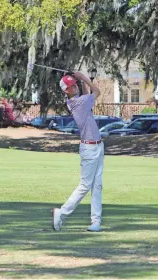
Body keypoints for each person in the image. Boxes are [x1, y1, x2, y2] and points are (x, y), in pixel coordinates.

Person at [52, 72, 104, 232]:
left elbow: (88, 94)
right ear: (66, 91)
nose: (74, 86)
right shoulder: (77, 102)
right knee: (85, 185)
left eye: (75, 83)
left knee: (97, 186)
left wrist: (81, 81)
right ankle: (61, 213)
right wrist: (84, 78)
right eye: (72, 85)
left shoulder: (81, 100)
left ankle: (96, 222)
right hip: (89, 148)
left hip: (98, 145)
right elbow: (97, 92)